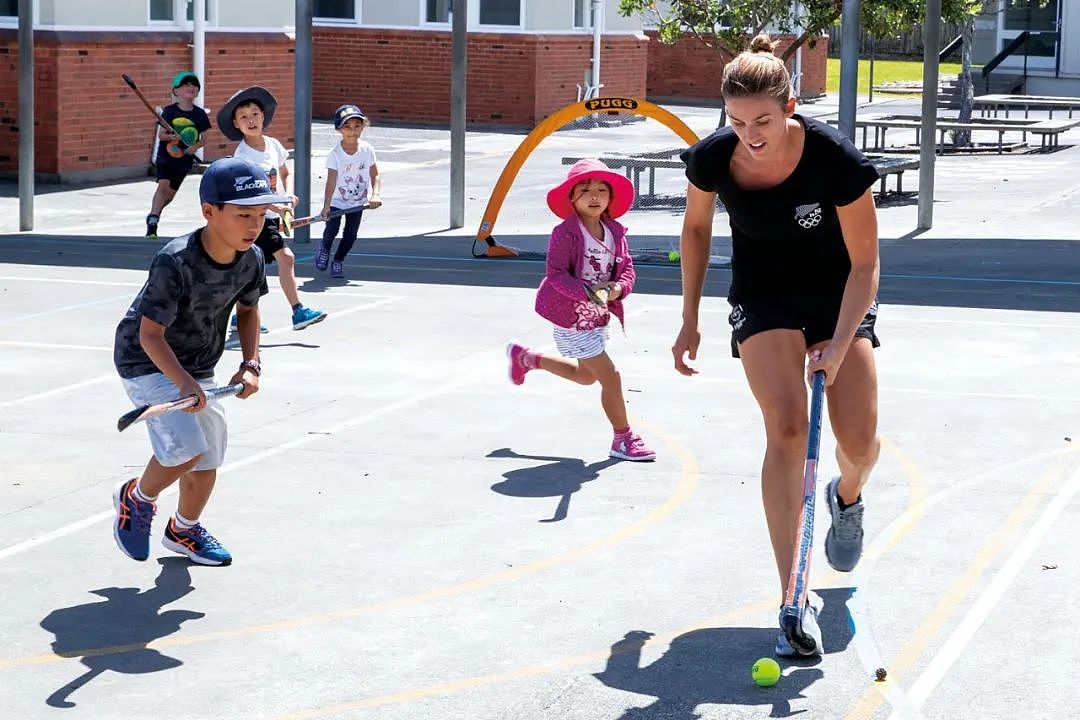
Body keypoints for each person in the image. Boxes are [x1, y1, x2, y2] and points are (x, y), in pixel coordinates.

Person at [672, 34, 882, 657]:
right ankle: (794, 592)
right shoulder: (714, 159)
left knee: (860, 444)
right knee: (788, 428)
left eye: (762, 119)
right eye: (737, 122)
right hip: (762, 296)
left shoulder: (834, 161)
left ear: (791, 105)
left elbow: (867, 265)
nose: (750, 134)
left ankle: (846, 500)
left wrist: (841, 343)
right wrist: (689, 318)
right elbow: (695, 228)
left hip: (836, 293)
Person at [112, 156, 288, 566]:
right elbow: (149, 334)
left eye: (261, 215)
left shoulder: (252, 259)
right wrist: (185, 385)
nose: (253, 225)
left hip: (199, 361)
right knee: (186, 448)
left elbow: (248, 311)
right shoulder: (174, 261)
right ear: (209, 211)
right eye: (243, 214)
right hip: (147, 360)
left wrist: (251, 364)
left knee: (208, 456)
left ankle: (184, 530)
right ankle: (136, 498)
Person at [506, 159, 655, 462]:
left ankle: (527, 358)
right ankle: (623, 439)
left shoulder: (614, 231)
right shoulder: (565, 233)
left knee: (587, 377)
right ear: (572, 197)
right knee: (610, 377)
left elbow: (626, 269)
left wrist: (617, 289)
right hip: (571, 318)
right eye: (585, 190)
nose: (595, 196)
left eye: (602, 190)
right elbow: (556, 273)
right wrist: (587, 293)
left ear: (611, 198)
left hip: (597, 317)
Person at [218, 86, 326, 331]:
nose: (251, 120)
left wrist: (287, 196)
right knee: (285, 258)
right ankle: (298, 312)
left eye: (254, 113)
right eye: (243, 117)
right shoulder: (242, 157)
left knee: (251, 268)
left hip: (270, 216)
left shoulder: (273, 145)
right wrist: (275, 206)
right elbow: (248, 196)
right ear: (236, 124)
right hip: (253, 219)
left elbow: (285, 173)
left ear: (263, 116)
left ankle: (238, 316)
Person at [317, 103, 382, 279]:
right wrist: (327, 206)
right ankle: (324, 247)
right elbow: (331, 181)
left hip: (358, 202)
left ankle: (338, 261)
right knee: (332, 231)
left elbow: (375, 175)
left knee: (351, 235)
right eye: (347, 127)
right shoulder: (335, 154)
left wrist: (374, 194)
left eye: (357, 126)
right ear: (339, 129)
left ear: (363, 127)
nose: (353, 131)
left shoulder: (367, 150)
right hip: (338, 201)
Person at [145, 71, 211, 239]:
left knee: (170, 196)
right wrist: (172, 137)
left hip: (184, 161)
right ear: (176, 91)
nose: (191, 87)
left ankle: (156, 212)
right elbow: (161, 135)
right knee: (163, 185)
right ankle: (153, 221)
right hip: (166, 158)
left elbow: (204, 139)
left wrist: (193, 147)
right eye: (186, 85)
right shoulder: (169, 112)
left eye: (194, 85)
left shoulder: (199, 114)